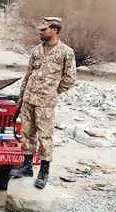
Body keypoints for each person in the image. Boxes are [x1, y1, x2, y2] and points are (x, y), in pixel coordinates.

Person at [10, 17, 77, 189]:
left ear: (54, 30)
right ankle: (26, 167)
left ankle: (44, 172)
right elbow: (28, 75)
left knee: (45, 137)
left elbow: (70, 79)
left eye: (44, 29)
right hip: (29, 100)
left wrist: (53, 91)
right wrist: (20, 99)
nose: (41, 32)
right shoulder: (36, 51)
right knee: (27, 134)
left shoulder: (66, 52)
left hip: (45, 103)